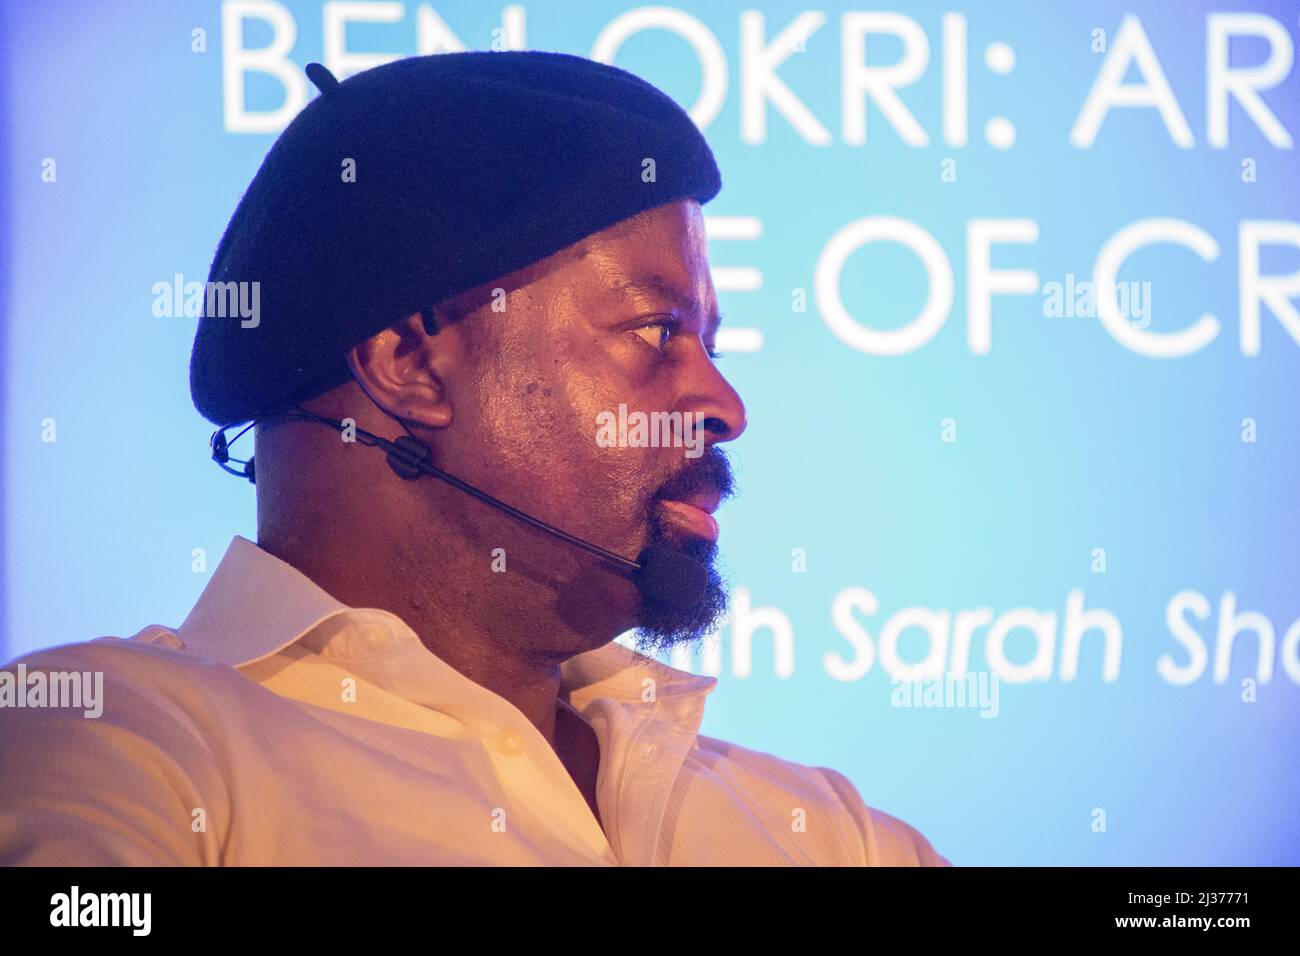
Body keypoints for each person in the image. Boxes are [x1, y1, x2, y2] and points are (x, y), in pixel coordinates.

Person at [0, 51, 949, 866]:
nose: (725, 407)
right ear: (409, 361)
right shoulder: (111, 741)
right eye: (658, 332)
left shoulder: (827, 832)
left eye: (712, 343)